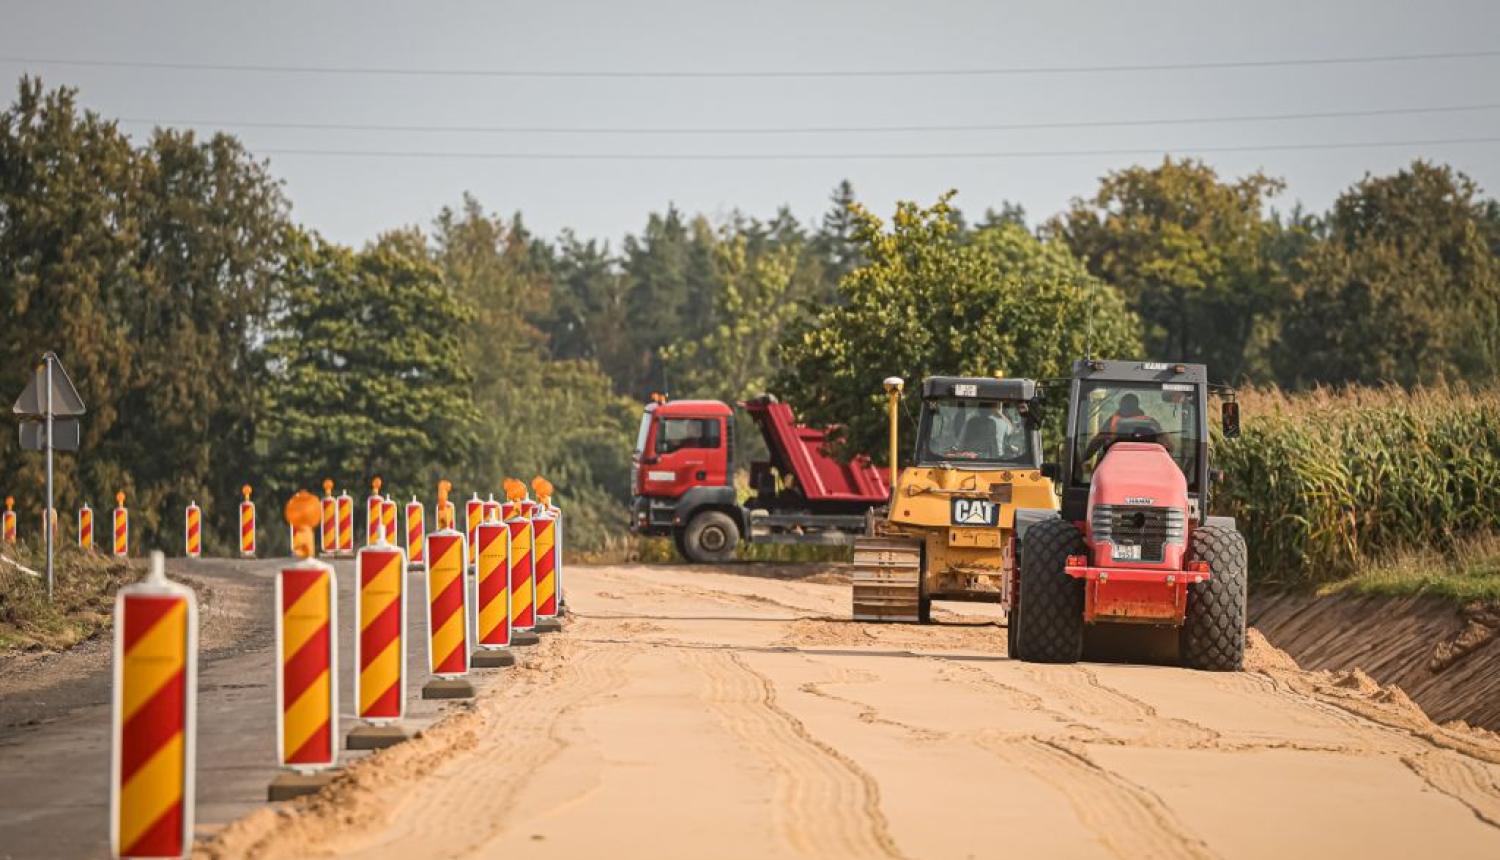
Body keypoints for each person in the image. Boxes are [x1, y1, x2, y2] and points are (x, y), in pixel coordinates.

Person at [1083, 392, 1170, 462]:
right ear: (1137, 406)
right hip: (1146, 461)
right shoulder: (1151, 422)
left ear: (1120, 405)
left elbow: (1097, 442)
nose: (1128, 407)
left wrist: (1084, 458)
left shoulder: (1112, 421)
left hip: (1115, 462)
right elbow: (1168, 446)